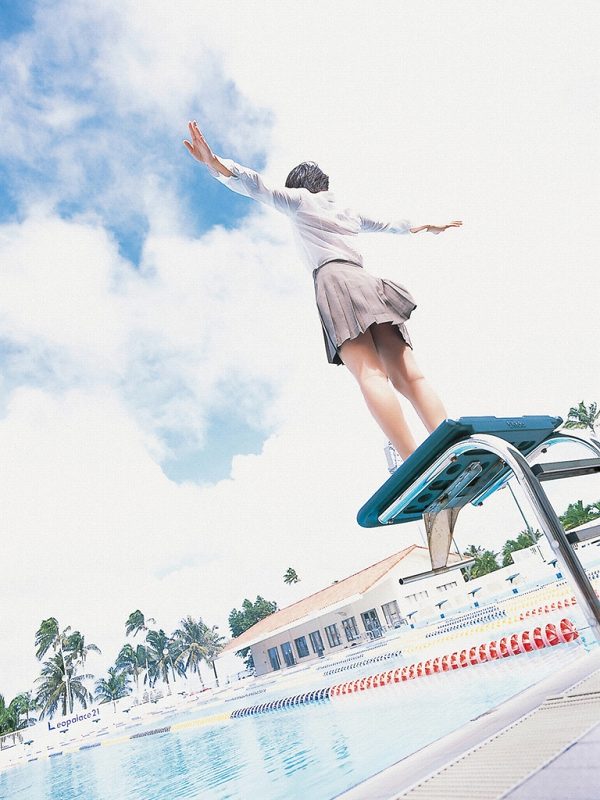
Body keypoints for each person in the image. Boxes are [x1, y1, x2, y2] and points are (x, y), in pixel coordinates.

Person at [183, 121, 462, 462]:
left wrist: (215, 164)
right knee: (409, 375)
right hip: (369, 283)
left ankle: (413, 460)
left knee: (370, 374)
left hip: (336, 282)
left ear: (299, 186)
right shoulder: (346, 211)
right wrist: (427, 226)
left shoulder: (300, 202)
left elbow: (256, 184)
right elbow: (393, 226)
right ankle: (453, 447)